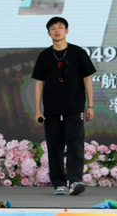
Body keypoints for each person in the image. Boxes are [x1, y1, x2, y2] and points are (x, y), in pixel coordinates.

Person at [32, 16, 96, 196]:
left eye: (60, 27)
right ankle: (59, 183)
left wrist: (90, 105)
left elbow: (87, 79)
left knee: (75, 144)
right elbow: (39, 84)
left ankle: (75, 181)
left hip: (74, 108)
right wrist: (37, 110)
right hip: (51, 110)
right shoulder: (44, 56)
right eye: (53, 28)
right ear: (48, 33)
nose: (57, 31)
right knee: (54, 146)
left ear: (66, 31)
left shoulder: (78, 52)